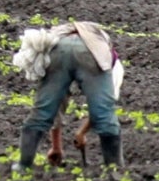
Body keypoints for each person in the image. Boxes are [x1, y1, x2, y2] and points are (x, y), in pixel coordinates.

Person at [13, 22, 123, 171]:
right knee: (106, 117)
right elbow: (102, 108)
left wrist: (57, 146)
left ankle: (23, 165)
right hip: (91, 52)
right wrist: (82, 133)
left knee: (42, 111)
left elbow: (57, 106)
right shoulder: (113, 63)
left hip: (58, 47)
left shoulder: (67, 34)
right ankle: (114, 169)